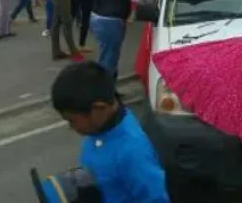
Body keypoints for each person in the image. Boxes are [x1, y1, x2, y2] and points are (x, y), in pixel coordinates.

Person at [51, 62, 170, 203]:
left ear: (98, 108)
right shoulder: (98, 130)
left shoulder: (132, 151)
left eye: (72, 120)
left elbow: (155, 198)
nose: (71, 127)